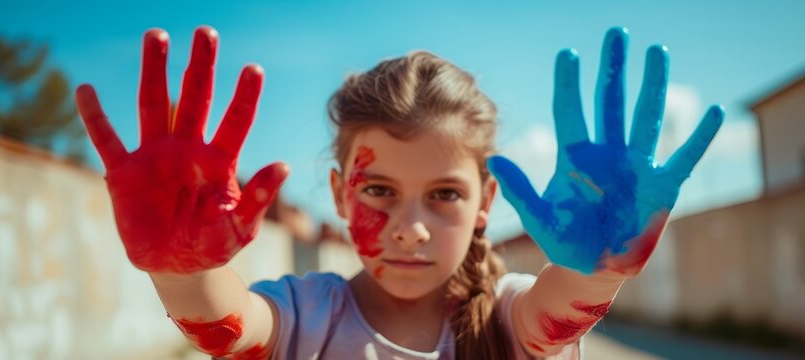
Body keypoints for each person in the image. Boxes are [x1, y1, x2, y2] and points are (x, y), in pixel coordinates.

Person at [75, 25, 722, 359]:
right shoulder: (304, 318)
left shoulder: (507, 321)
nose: (409, 227)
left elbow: (567, 299)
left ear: (486, 205)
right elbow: (228, 324)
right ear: (336, 192)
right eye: (379, 189)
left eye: (443, 194)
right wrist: (182, 271)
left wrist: (600, 266)